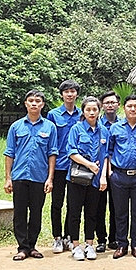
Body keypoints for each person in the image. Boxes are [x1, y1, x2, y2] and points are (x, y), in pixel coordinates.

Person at [3, 90, 57, 261]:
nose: (34, 103)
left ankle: (32, 246)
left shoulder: (50, 127)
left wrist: (50, 178)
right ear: (25, 103)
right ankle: (22, 247)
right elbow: (9, 152)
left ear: (42, 104)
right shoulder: (16, 127)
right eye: (31, 100)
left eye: (38, 101)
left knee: (36, 212)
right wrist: (8, 177)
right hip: (19, 176)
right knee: (19, 213)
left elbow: (52, 153)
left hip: (39, 177)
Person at [106, 94, 136, 260]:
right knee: (120, 213)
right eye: (129, 106)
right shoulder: (115, 128)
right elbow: (109, 151)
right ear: (123, 108)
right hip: (119, 176)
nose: (133, 109)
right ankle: (121, 244)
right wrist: (110, 172)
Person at [65, 96, 108, 261]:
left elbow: (106, 156)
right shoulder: (76, 129)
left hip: (96, 179)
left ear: (99, 111)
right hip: (76, 178)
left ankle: (90, 244)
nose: (92, 112)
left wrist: (103, 176)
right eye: (88, 109)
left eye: (95, 109)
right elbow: (71, 152)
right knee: (74, 212)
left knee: (92, 213)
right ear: (83, 111)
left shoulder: (104, 131)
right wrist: (89, 164)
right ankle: (76, 246)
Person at [46, 80, 82, 254]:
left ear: (77, 94)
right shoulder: (53, 115)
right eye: (66, 91)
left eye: (73, 91)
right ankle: (57, 238)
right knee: (56, 203)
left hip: (77, 166)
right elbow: (50, 140)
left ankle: (69, 236)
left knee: (73, 204)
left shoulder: (82, 114)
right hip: (59, 165)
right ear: (61, 94)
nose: (69, 94)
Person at [95, 90, 120, 252]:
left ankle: (114, 238)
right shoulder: (96, 125)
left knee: (116, 207)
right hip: (99, 171)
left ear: (118, 105)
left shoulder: (123, 124)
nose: (110, 105)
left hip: (118, 173)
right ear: (102, 106)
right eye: (107, 103)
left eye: (113, 102)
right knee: (99, 206)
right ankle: (101, 239)